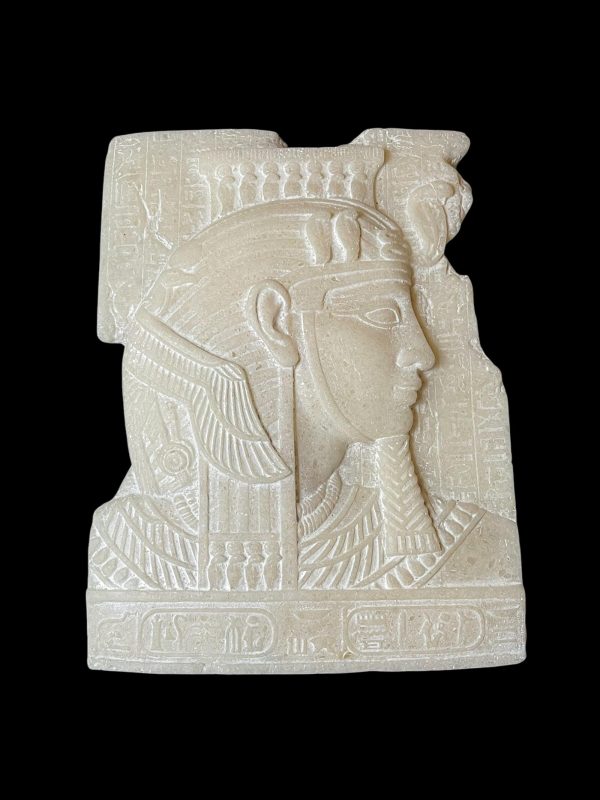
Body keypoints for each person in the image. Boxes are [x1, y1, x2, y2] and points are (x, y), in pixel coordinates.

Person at [89, 198, 520, 593]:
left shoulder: (473, 547)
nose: (422, 353)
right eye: (384, 314)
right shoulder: (129, 552)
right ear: (277, 323)